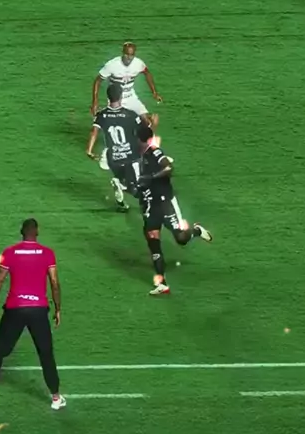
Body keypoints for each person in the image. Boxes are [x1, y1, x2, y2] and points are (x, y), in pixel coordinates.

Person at [0, 218, 66, 411]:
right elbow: (54, 283)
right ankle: (56, 398)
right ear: (37, 232)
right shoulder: (47, 253)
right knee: (46, 353)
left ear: (21, 232)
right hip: (38, 310)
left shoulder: (10, 252)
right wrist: (57, 308)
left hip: (15, 308)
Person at [137, 124, 212, 296]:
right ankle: (162, 283)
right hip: (151, 205)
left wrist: (152, 178)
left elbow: (169, 169)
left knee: (181, 238)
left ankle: (196, 231)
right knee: (153, 240)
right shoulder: (141, 155)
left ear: (141, 140)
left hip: (166, 203)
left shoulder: (155, 152)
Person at [90, 41, 162, 170]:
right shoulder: (112, 65)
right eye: (127, 55)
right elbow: (98, 80)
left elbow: (147, 73)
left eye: (131, 55)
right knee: (115, 124)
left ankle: (145, 148)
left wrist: (154, 92)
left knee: (147, 122)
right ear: (122, 53)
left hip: (131, 97)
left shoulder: (138, 63)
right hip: (116, 98)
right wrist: (95, 101)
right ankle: (111, 150)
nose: (129, 58)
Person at [86, 83, 142, 211]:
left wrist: (89, 150)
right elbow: (142, 134)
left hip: (113, 157)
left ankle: (121, 190)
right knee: (137, 189)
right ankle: (121, 186)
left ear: (108, 97)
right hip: (130, 156)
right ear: (121, 96)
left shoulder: (102, 115)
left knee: (125, 179)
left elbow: (94, 131)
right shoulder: (131, 115)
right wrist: (153, 124)